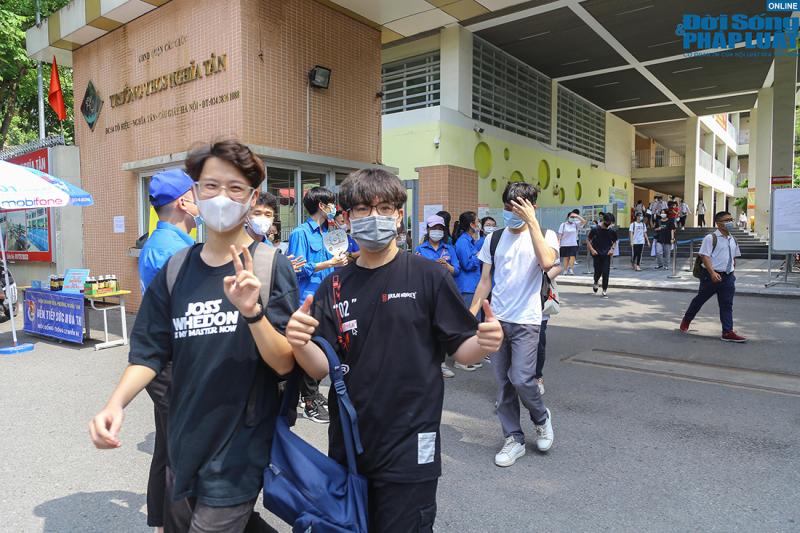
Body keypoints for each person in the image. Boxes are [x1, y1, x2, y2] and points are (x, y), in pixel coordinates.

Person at [89, 140, 298, 532]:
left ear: (252, 198)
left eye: (235, 188)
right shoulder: (176, 269)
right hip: (184, 439)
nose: (222, 198)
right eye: (211, 186)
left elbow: (285, 362)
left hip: (240, 447)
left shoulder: (270, 266)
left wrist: (252, 313)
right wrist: (115, 404)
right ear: (195, 195)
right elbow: (149, 351)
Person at [285, 168, 503, 532]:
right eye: (362, 209)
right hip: (350, 443)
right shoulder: (334, 285)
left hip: (411, 442)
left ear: (399, 215)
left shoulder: (429, 276)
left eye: (384, 208)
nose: (374, 217)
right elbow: (320, 367)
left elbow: (461, 350)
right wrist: (300, 342)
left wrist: (483, 342)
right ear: (347, 218)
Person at [469, 182, 558, 467]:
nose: (511, 213)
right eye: (507, 207)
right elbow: (485, 281)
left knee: (521, 378)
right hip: (497, 320)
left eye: (518, 208)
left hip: (527, 321)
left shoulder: (545, 235)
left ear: (532, 207)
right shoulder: (494, 238)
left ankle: (541, 418)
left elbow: (547, 262)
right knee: (503, 384)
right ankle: (513, 438)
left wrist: (532, 222)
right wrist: (470, 315)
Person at [136, 168, 199, 533]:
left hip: (166, 360)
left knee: (167, 444)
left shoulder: (165, 243)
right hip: (173, 362)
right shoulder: (174, 249)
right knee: (181, 450)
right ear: (183, 202)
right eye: (198, 192)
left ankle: (160, 522)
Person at [287, 186, 347, 423]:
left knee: (325, 346)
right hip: (307, 300)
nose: (334, 207)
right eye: (331, 203)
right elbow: (298, 268)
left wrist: (338, 263)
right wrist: (329, 263)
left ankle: (309, 394)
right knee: (310, 347)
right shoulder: (300, 233)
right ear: (322, 206)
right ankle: (309, 399)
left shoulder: (328, 232)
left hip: (328, 296)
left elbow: (331, 265)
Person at [680, 211, 746, 342]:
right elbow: (705, 256)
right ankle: (686, 320)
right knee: (700, 300)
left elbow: (733, 257)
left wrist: (731, 272)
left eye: (731, 219)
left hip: (727, 277)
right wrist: (712, 273)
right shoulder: (710, 238)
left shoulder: (733, 239)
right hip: (710, 276)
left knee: (726, 304)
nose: (730, 222)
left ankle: (727, 332)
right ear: (718, 223)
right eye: (727, 220)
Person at [416, 215, 461, 378]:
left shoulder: (449, 248)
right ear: (428, 230)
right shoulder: (420, 249)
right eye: (434, 228)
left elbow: (457, 270)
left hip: (444, 293)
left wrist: (447, 266)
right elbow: (415, 271)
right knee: (425, 329)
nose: (437, 231)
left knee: (442, 328)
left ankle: (441, 363)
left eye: (440, 229)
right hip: (425, 293)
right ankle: (425, 363)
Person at [453, 211, 484, 372]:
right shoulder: (463, 242)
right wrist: (479, 256)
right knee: (466, 322)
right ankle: (460, 358)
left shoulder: (470, 241)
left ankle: (468, 356)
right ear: (472, 224)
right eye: (477, 221)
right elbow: (467, 264)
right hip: (467, 286)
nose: (478, 224)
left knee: (473, 322)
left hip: (473, 285)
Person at [535, 263, 562, 396]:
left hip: (540, 307)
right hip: (517, 309)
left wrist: (542, 277)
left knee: (539, 344)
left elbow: (558, 267)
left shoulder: (545, 247)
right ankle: (510, 385)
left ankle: (538, 377)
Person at [587, 213, 618, 298]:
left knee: (606, 272)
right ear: (604, 220)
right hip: (596, 254)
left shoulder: (612, 231)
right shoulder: (595, 229)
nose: (609, 224)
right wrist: (592, 250)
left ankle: (604, 290)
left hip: (607, 255)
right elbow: (588, 240)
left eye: (611, 222)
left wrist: (612, 249)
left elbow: (615, 241)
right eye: (608, 222)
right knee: (597, 271)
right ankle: (596, 281)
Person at [557, 209, 586, 275]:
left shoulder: (575, 224)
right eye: (571, 217)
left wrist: (577, 216)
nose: (572, 218)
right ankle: (565, 270)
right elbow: (560, 234)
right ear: (568, 217)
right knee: (566, 258)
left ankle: (571, 269)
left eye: (573, 217)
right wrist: (558, 242)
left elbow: (584, 221)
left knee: (572, 257)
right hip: (564, 244)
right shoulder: (563, 225)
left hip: (573, 243)